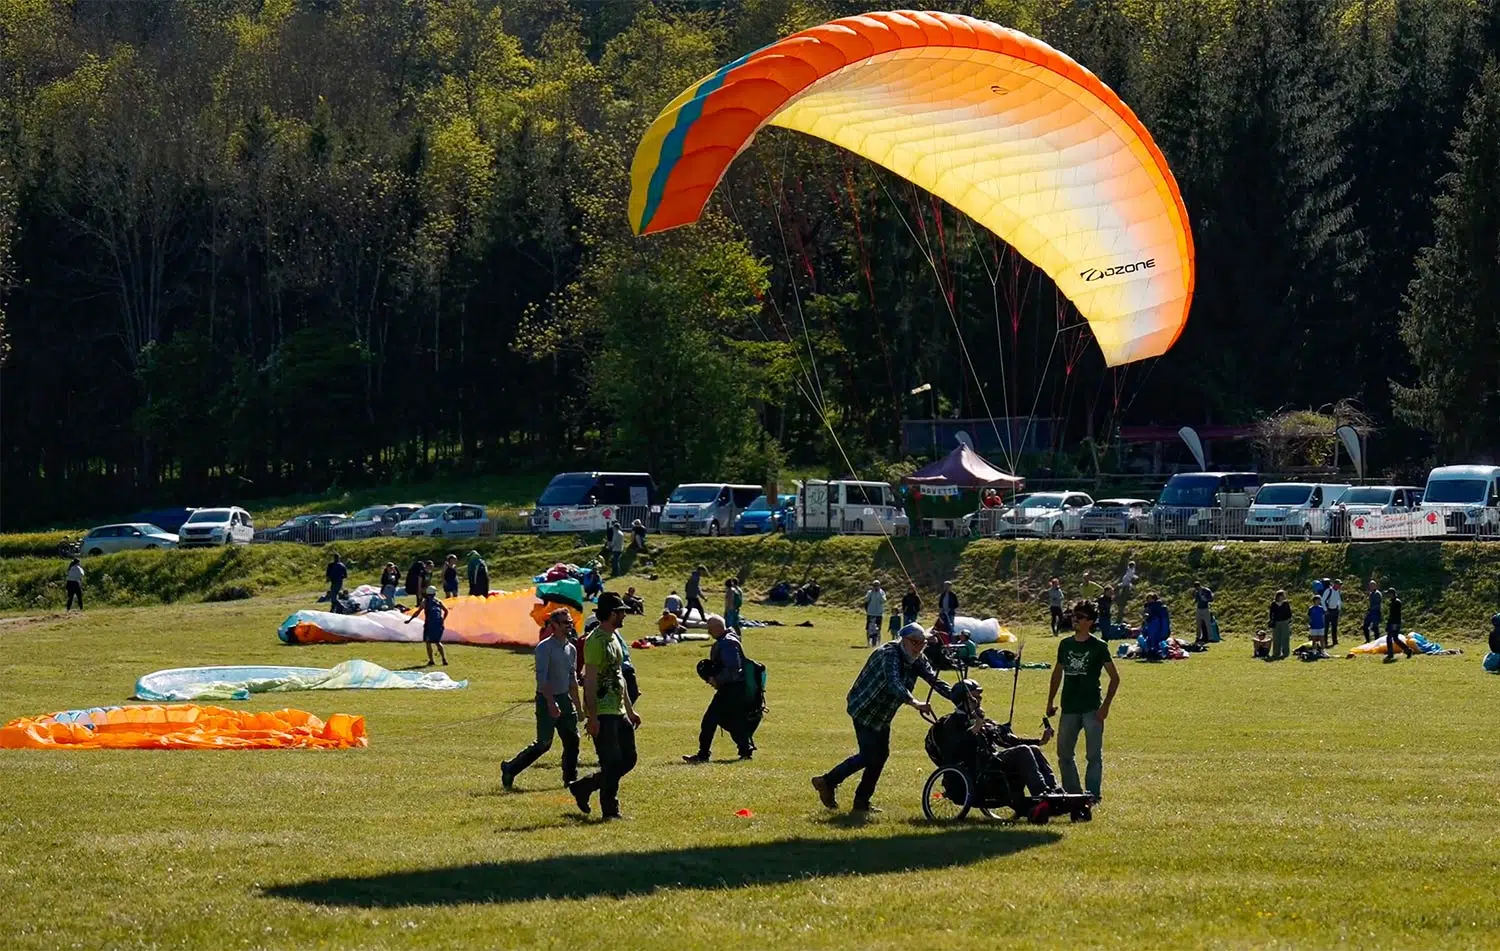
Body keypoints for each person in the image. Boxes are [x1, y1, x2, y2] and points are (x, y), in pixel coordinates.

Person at [812, 623, 952, 813]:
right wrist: (915, 703)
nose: (919, 647)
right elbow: (893, 683)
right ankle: (827, 782)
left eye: (922, 643)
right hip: (864, 709)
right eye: (915, 642)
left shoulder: (917, 658)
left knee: (879, 756)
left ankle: (859, 802)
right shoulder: (889, 654)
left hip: (883, 715)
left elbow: (934, 680)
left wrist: (960, 696)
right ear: (903, 640)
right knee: (870, 756)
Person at [568, 592, 640, 820]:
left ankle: (584, 786)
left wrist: (630, 710)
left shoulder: (615, 638)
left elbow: (619, 677)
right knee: (611, 762)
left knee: (629, 759)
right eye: (621, 613)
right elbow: (589, 681)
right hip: (603, 712)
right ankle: (610, 811)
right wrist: (593, 717)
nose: (624, 616)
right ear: (611, 614)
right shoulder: (595, 641)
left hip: (619, 711)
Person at [1045, 601, 1119, 803]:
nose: (1075, 619)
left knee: (1093, 756)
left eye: (1081, 616)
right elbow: (1057, 673)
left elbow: (1115, 677)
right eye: (1074, 615)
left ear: (1091, 622)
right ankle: (1074, 796)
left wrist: (1105, 707)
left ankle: (1093, 796)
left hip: (1092, 708)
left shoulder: (1099, 647)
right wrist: (1050, 701)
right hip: (1069, 707)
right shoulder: (1065, 644)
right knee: (1064, 754)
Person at [502, 608, 582, 790]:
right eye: (564, 623)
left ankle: (570, 779)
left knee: (572, 740)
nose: (569, 626)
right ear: (553, 625)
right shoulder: (544, 648)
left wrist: (579, 707)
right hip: (547, 699)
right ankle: (510, 768)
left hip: (564, 699)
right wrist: (550, 702)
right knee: (544, 743)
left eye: (570, 622)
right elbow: (542, 679)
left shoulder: (571, 649)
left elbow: (572, 679)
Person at [683, 614, 755, 763]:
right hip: (734, 688)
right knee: (727, 720)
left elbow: (734, 669)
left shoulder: (728, 643)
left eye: (710, 629)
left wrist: (716, 679)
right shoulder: (728, 640)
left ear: (717, 628)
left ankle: (703, 755)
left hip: (731, 688)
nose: (709, 633)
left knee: (709, 719)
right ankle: (746, 749)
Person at [404, 585, 449, 666]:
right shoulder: (438, 601)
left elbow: (418, 612)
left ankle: (431, 660)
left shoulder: (425, 602)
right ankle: (444, 659)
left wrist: (410, 620)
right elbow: (446, 611)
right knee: (437, 642)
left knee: (428, 642)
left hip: (429, 624)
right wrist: (443, 620)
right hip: (438, 624)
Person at [1385, 587, 1413, 661]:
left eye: (1389, 594)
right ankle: (1407, 650)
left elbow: (1393, 615)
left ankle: (1390, 654)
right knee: (1395, 639)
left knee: (1389, 638)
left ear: (1392, 594)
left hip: (1394, 623)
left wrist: (1389, 624)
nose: (1388, 596)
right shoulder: (1395, 602)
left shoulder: (1396, 602)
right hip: (1395, 622)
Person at [1268, 589, 1293, 660]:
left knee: (1285, 638)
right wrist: (1271, 620)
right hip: (1276, 622)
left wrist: (1289, 619)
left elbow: (1289, 612)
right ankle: (1276, 653)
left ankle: (1285, 653)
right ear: (1278, 596)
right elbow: (1271, 613)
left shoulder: (1286, 603)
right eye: (1282, 595)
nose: (1283, 597)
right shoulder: (1273, 603)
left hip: (1284, 622)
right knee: (1276, 638)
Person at [863, 580, 886, 647]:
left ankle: (878, 643)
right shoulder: (870, 592)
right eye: (874, 585)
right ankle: (868, 642)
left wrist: (879, 593)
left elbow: (883, 600)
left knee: (878, 629)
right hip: (871, 613)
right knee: (869, 629)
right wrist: (871, 593)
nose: (876, 587)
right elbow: (866, 600)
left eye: (877, 585)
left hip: (879, 613)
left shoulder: (882, 592)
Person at [1324, 578, 1343, 646]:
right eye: (1338, 584)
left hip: (1335, 610)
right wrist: (1325, 610)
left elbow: (1339, 601)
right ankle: (1325, 641)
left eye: (1340, 585)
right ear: (1335, 584)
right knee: (1326, 627)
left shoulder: (1337, 591)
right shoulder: (1328, 590)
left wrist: (1339, 609)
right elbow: (1323, 601)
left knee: (1334, 627)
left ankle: (1335, 641)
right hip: (1328, 610)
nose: (1339, 586)